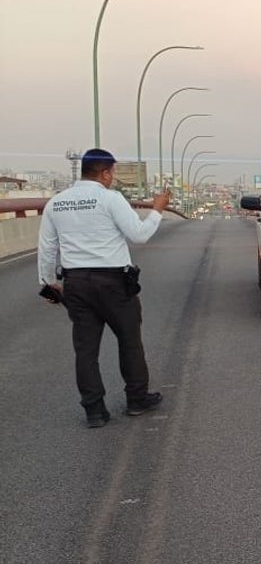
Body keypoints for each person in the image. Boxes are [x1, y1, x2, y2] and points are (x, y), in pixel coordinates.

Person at [37, 149, 171, 428]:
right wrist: (157, 209)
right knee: (129, 340)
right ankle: (136, 399)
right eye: (113, 173)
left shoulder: (56, 203)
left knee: (85, 350)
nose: (114, 178)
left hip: (75, 284)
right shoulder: (110, 199)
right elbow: (139, 234)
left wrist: (49, 284)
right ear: (105, 172)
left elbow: (48, 248)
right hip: (113, 284)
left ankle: (94, 411)